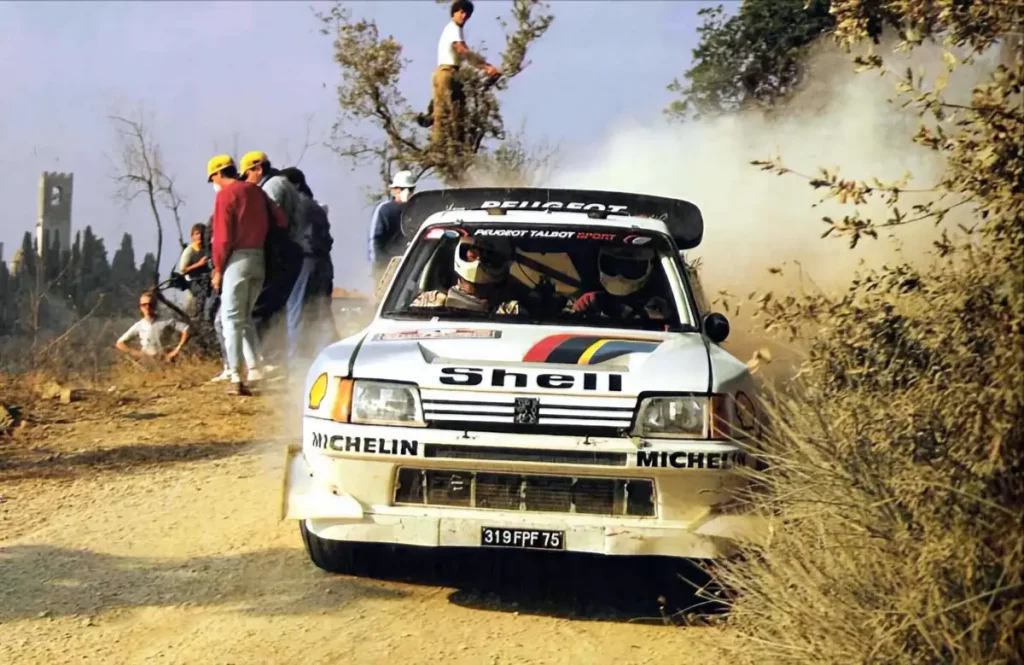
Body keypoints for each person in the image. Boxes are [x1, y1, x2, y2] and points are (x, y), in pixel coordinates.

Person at [207, 153, 287, 396]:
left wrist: (218, 269)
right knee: (245, 317)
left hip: (236, 260)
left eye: (213, 177)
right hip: (259, 258)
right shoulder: (257, 191)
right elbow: (281, 220)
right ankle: (255, 369)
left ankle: (234, 376)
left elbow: (222, 238)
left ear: (220, 173)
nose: (214, 182)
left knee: (231, 320)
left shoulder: (225, 195)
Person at [239, 150, 305, 365]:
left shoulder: (272, 187)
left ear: (257, 169)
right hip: (288, 251)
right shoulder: (281, 183)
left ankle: (271, 360)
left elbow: (269, 221)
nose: (247, 181)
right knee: (275, 308)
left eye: (247, 175)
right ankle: (276, 360)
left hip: (281, 252)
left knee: (263, 308)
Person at [427, 0, 501, 146]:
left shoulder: (456, 30)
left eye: (466, 13)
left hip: (453, 73)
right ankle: (439, 150)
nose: (464, 15)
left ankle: (457, 148)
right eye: (461, 11)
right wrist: (486, 67)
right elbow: (462, 50)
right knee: (444, 115)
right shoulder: (453, 28)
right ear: (454, 13)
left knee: (458, 112)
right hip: (446, 72)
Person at [410, 235, 527, 315]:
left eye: (487, 256)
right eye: (474, 252)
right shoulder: (429, 302)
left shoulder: (510, 311)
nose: (479, 259)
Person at [570, 245, 671, 321]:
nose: (619, 272)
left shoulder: (664, 295)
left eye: (630, 267)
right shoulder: (662, 294)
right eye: (613, 265)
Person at [367, 170, 417, 289]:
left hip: (405, 265)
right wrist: (379, 266)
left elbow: (375, 239)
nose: (407, 192)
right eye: (404, 189)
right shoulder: (387, 210)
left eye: (409, 189)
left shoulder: (386, 209)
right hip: (391, 265)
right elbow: (376, 240)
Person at [115, 290, 191, 363]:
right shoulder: (139, 325)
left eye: (150, 304)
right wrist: (138, 354)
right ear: (140, 307)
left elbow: (186, 329)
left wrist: (176, 351)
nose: (147, 307)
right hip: (146, 364)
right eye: (144, 305)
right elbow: (119, 343)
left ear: (155, 305)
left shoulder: (166, 320)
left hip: (165, 362)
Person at [177, 222, 211, 317]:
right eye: (197, 233)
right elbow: (183, 270)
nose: (199, 236)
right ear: (192, 236)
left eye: (202, 233)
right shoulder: (190, 251)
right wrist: (198, 264)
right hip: (194, 287)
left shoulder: (208, 250)